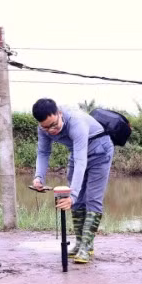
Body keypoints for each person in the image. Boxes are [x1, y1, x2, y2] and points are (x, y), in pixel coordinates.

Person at [31, 98, 114, 264]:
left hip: (100, 151)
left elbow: (81, 160)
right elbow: (43, 153)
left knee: (91, 198)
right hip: (76, 153)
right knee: (75, 201)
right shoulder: (44, 129)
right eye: (45, 127)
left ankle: (87, 246)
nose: (51, 130)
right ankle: (79, 243)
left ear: (59, 114)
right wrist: (39, 176)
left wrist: (73, 194)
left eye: (54, 124)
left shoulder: (77, 123)